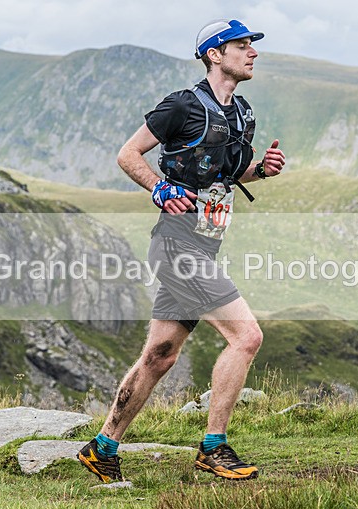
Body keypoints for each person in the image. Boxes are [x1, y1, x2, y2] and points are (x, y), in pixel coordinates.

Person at [78, 18, 286, 482]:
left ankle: (102, 446)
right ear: (215, 54)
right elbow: (128, 154)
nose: (252, 52)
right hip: (177, 244)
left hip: (204, 245)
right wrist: (158, 188)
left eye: (253, 45)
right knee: (247, 337)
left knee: (161, 356)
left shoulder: (243, 113)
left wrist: (260, 169)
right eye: (242, 45)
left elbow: (225, 173)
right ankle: (213, 447)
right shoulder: (182, 106)